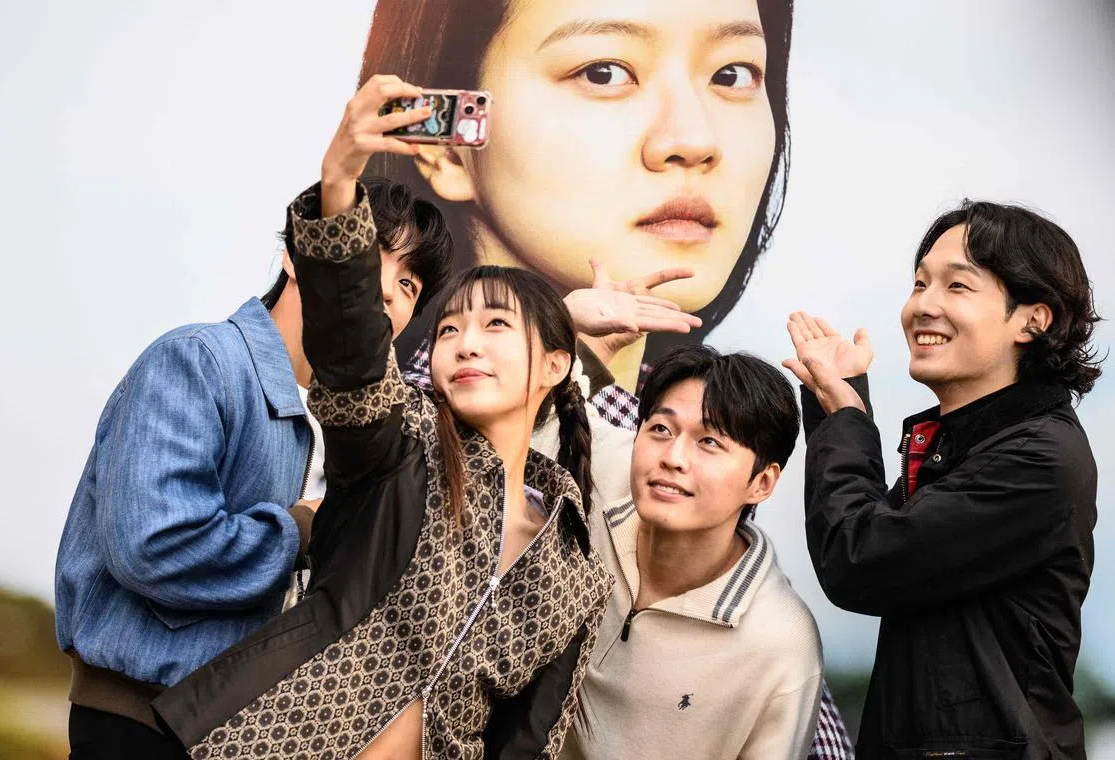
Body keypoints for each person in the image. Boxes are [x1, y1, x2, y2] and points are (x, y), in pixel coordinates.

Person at [153, 75, 614, 760]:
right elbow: (352, 348)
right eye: (450, 328)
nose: (465, 343)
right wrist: (339, 181)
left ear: (552, 366)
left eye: (494, 325)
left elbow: (528, 741)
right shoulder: (403, 440)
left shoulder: (577, 569)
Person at [53, 86, 452, 758]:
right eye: (375, 254)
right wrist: (300, 529)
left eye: (411, 283)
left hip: (258, 738)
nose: (388, 287)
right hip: (145, 723)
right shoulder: (200, 362)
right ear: (301, 254)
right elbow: (153, 545)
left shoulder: (363, 426)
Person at [784, 201, 1102, 759]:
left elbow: (860, 558)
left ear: (1034, 318)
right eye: (919, 283)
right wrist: (844, 405)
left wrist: (845, 419)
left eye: (957, 287)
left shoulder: (1041, 458)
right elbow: (876, 539)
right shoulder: (969, 441)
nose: (922, 306)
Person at [360, 0, 794, 393]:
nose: (695, 140)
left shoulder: (703, 441)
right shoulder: (383, 428)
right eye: (603, 72)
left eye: (732, 74)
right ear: (447, 148)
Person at [536, 346, 823, 760]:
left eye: (709, 442)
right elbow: (523, 412)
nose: (672, 458)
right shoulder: (595, 474)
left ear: (761, 482)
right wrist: (575, 331)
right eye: (660, 430)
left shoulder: (779, 642)